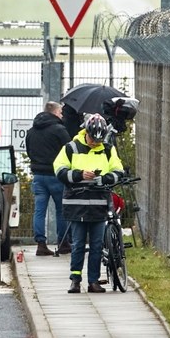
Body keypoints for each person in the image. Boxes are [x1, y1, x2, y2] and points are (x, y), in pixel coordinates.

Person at [54, 113, 125, 294]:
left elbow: (118, 170)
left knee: (96, 245)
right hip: (76, 204)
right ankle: (75, 279)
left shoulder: (108, 149)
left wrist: (106, 178)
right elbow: (59, 170)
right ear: (86, 132)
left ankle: (93, 281)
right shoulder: (71, 148)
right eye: (93, 139)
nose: (95, 143)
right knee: (78, 244)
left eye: (99, 140)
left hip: (99, 203)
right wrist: (79, 175)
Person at [26, 101, 71, 257]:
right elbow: (69, 151)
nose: (62, 115)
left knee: (39, 211)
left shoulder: (31, 131)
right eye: (60, 112)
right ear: (54, 112)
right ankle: (63, 243)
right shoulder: (59, 130)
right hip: (56, 176)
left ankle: (40, 244)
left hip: (38, 176)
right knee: (61, 210)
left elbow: (29, 152)